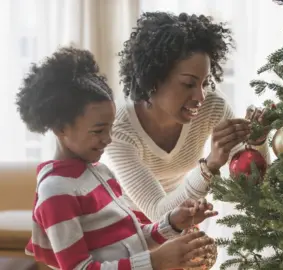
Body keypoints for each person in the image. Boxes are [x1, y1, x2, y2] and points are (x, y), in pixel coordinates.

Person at [15, 47, 218, 270]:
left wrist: (172, 222)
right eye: (98, 131)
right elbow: (79, 268)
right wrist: (156, 261)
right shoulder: (56, 191)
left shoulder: (100, 172)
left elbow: (135, 239)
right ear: (61, 128)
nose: (108, 139)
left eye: (110, 129)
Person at [106, 11, 269, 225]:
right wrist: (209, 165)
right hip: (122, 220)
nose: (200, 96)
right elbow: (158, 212)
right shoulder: (119, 127)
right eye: (188, 84)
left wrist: (256, 142)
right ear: (154, 79)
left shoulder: (212, 106)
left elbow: (252, 184)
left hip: (182, 211)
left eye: (204, 83)